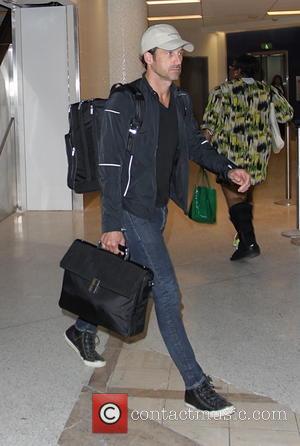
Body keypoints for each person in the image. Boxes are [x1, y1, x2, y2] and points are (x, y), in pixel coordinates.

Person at [65, 24, 252, 417]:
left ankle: (82, 327)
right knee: (165, 290)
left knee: (128, 277)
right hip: (131, 210)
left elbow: (195, 144)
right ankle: (194, 383)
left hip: (157, 209)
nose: (177, 58)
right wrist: (110, 224)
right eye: (169, 53)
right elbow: (110, 165)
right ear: (148, 58)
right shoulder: (124, 100)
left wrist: (229, 167)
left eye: (179, 52)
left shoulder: (181, 100)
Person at [202, 54, 293, 261]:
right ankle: (243, 240)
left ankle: (249, 242)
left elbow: (209, 123)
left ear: (237, 70)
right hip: (257, 154)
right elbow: (286, 114)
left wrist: (202, 152)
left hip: (229, 155)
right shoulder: (268, 90)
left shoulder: (221, 91)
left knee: (234, 198)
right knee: (245, 194)